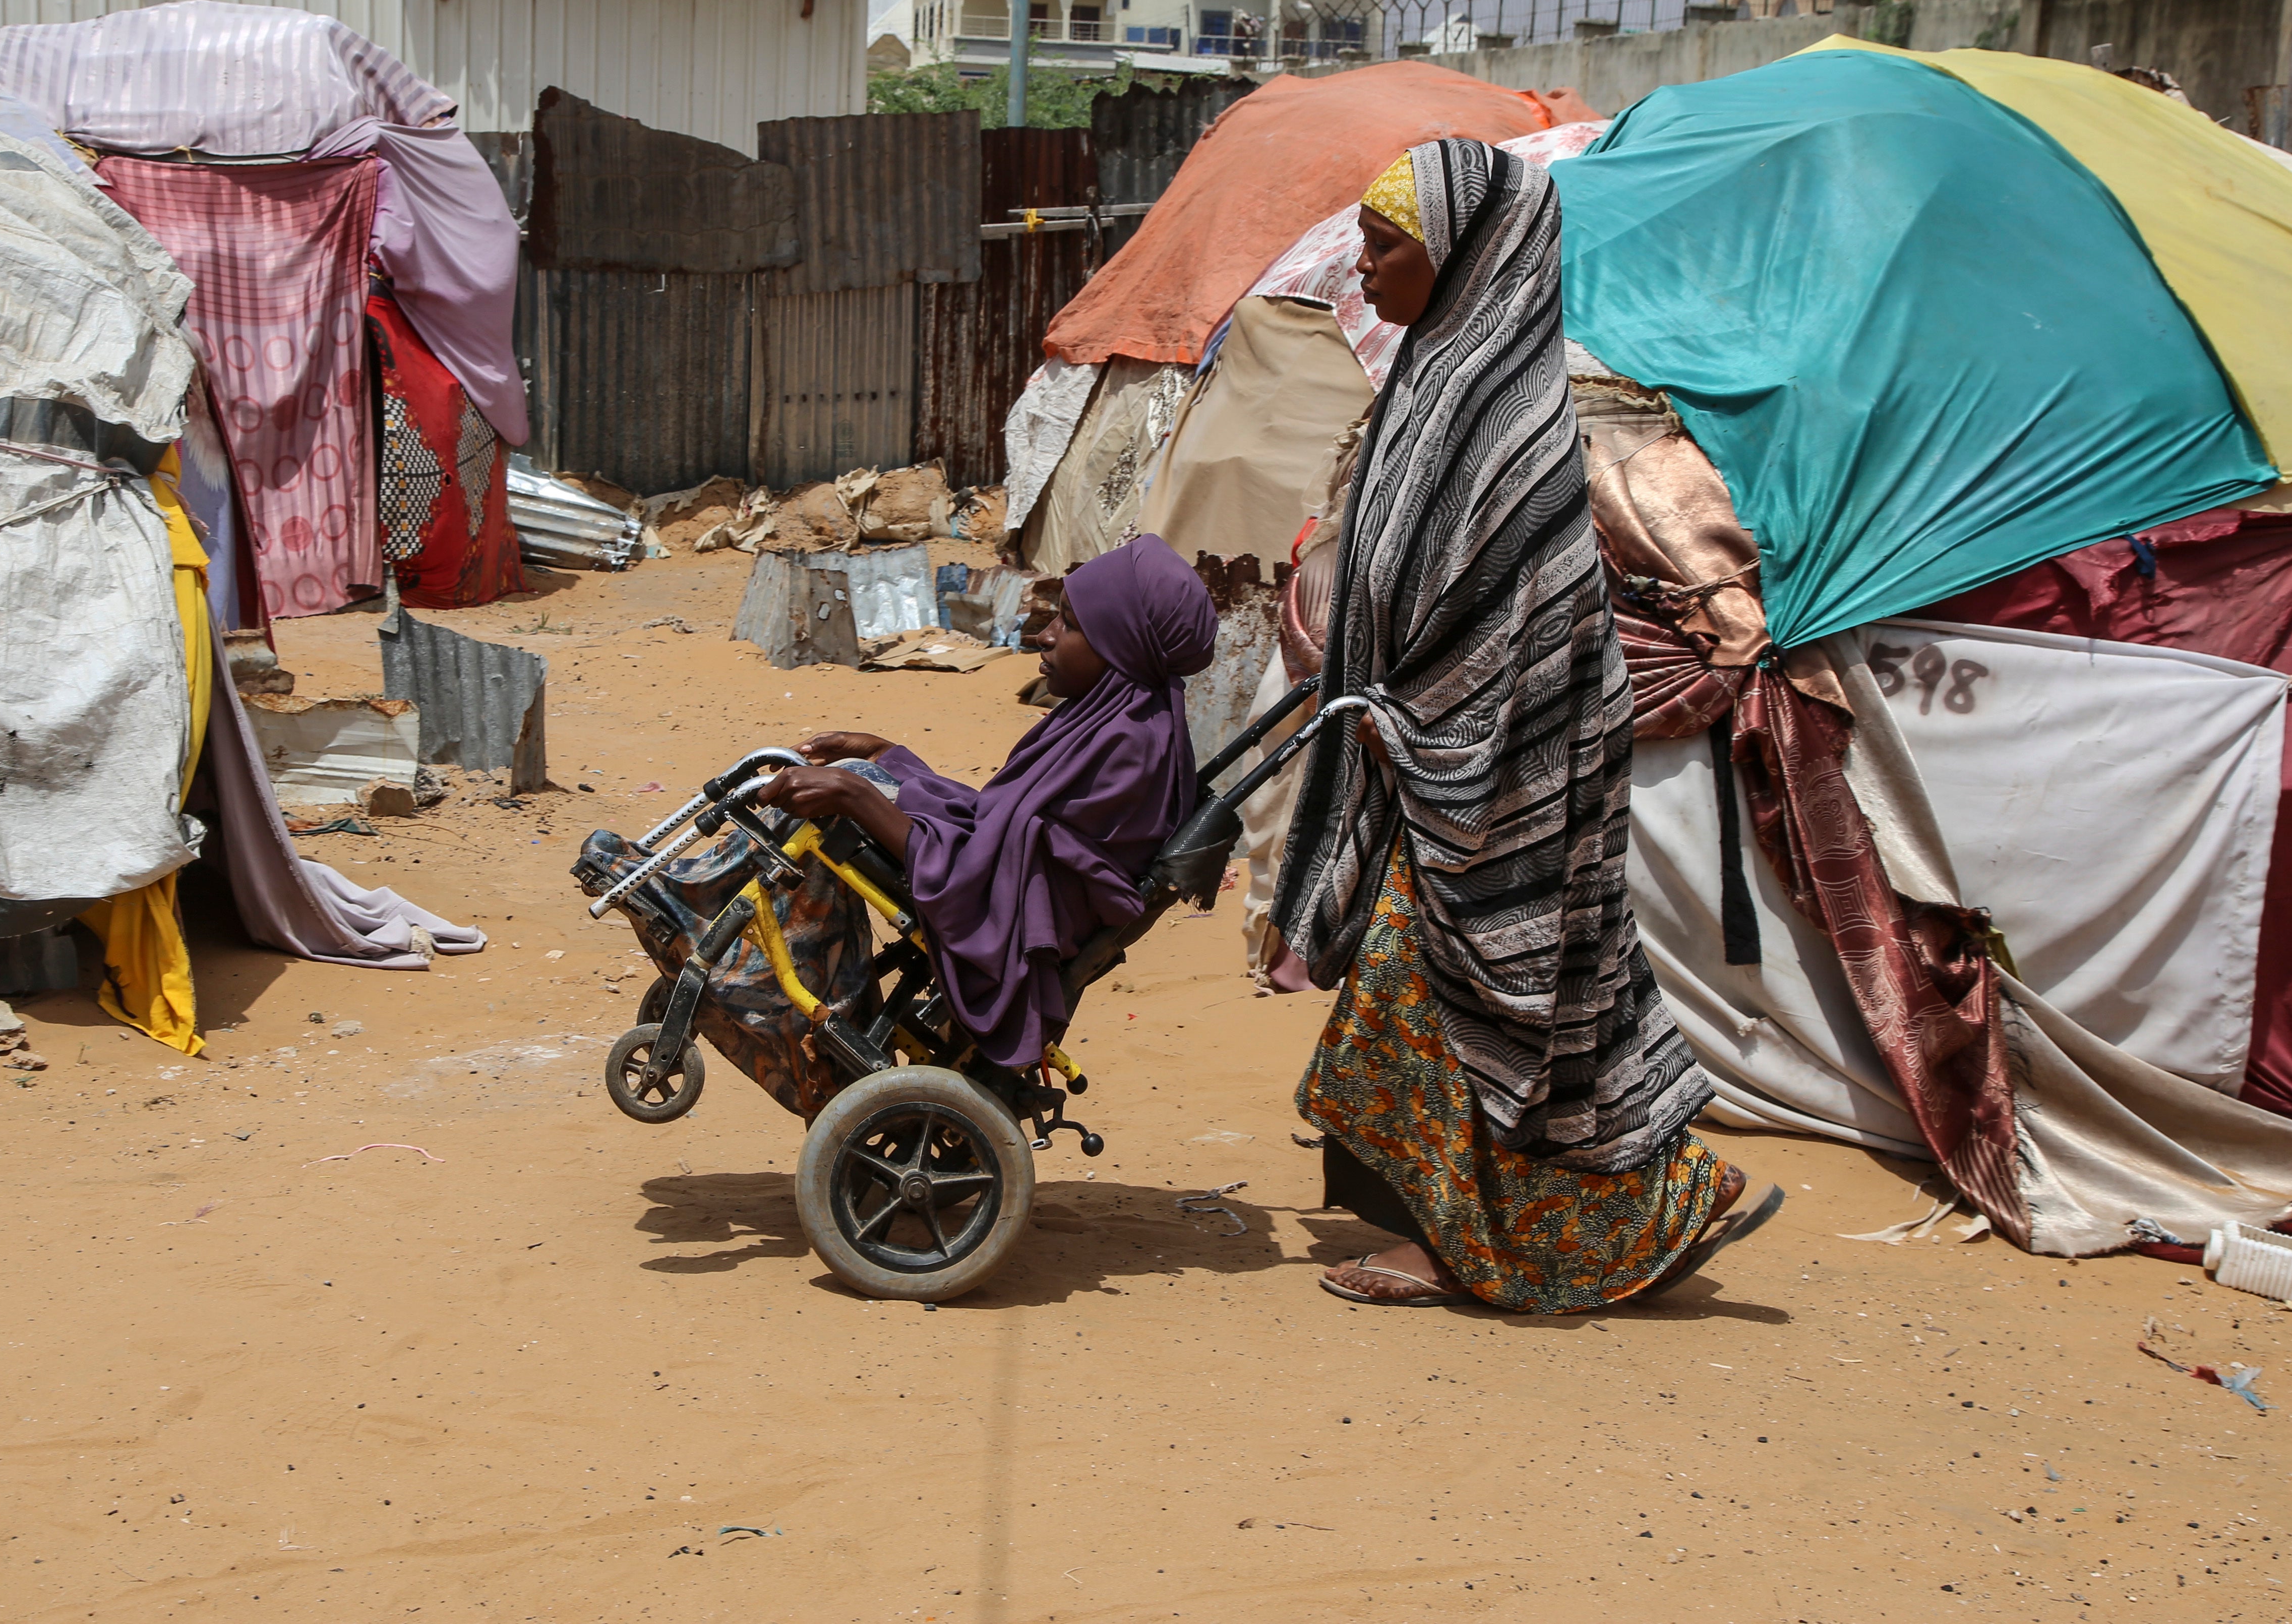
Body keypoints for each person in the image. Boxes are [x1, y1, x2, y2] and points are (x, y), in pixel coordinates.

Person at [1271, 139, 1781, 1311]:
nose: (1365, 266)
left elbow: (1511, 629)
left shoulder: (1499, 420)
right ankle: (1666, 1186)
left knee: (1467, 995)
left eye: (1387, 247)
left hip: (1502, 771)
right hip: (1445, 760)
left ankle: (1504, 1233)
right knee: (1537, 1004)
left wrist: (1419, 731)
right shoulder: (1433, 379)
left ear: (1462, 258)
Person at [754, 531, 1216, 1073]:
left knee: (840, 798)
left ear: (1120, 644)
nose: (1044, 635)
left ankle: (759, 983)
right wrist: (886, 756)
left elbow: (1009, 878)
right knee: (849, 779)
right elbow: (1002, 822)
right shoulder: (1104, 719)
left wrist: (858, 794)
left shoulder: (1132, 748)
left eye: (1068, 622)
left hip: (1013, 924)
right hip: (1004, 885)